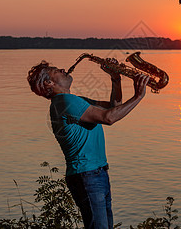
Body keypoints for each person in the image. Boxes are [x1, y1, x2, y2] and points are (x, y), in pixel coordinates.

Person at [27, 59, 149, 229]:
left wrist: (116, 79)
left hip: (95, 174)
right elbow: (109, 118)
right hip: (87, 176)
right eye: (56, 70)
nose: (63, 68)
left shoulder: (72, 100)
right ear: (49, 82)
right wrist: (138, 96)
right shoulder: (64, 102)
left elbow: (114, 106)